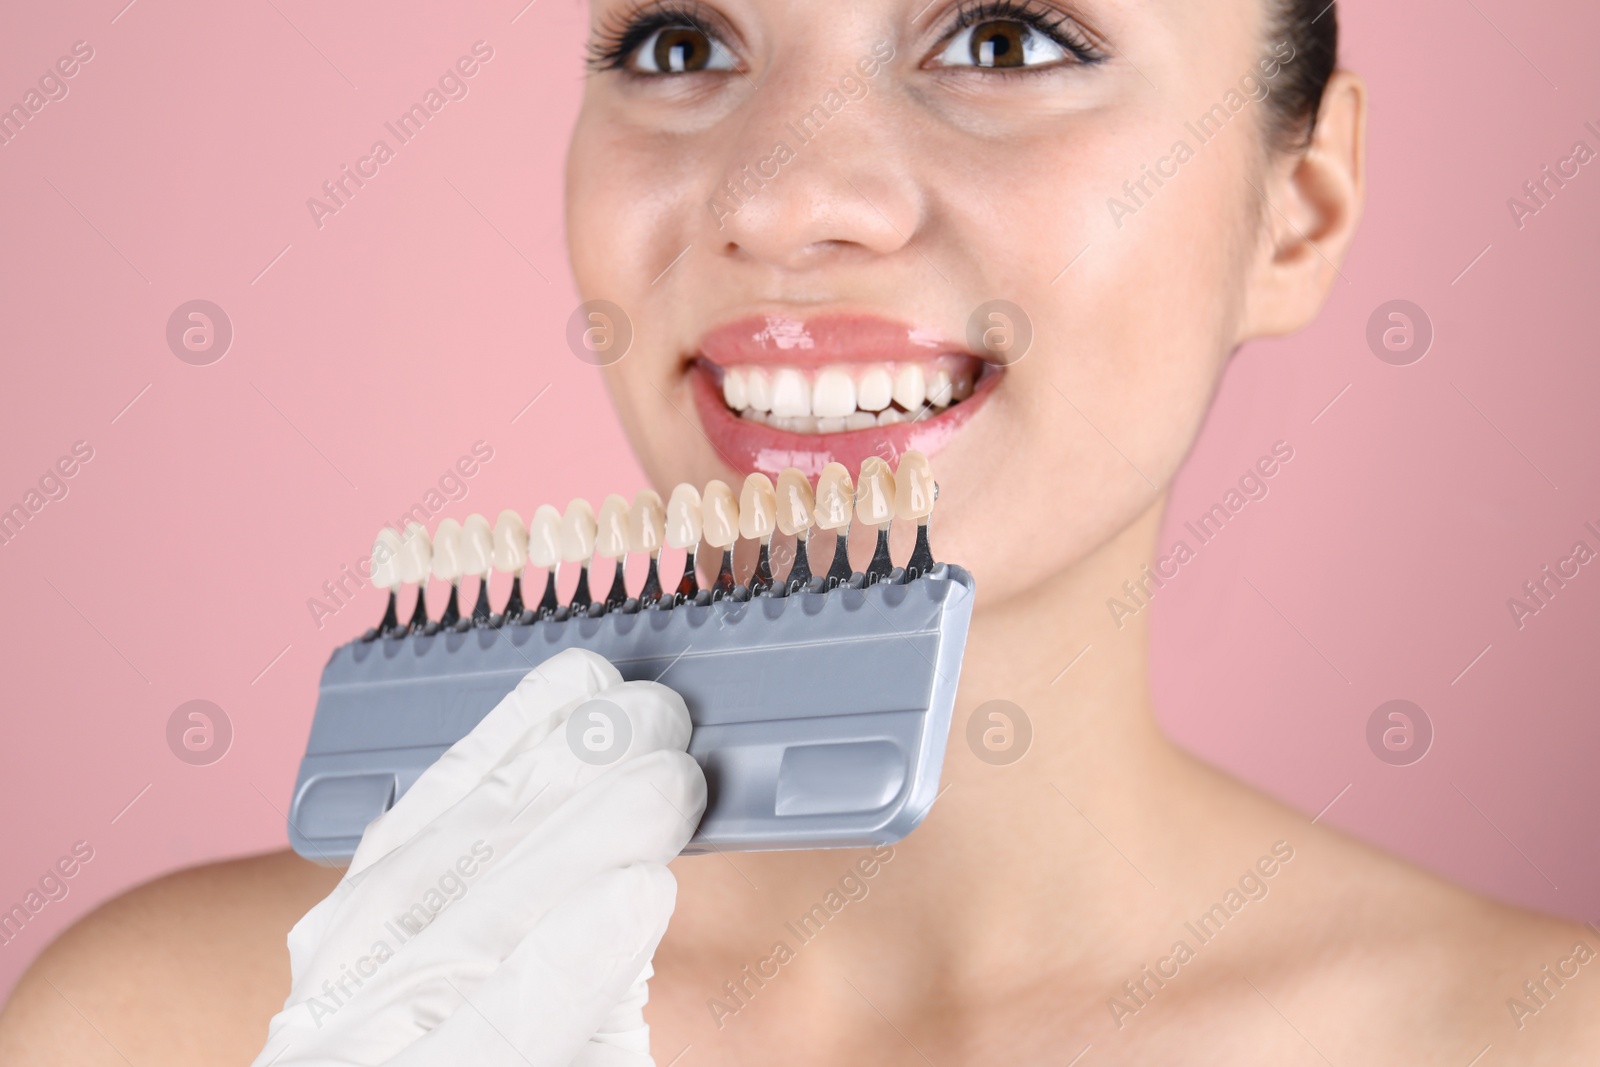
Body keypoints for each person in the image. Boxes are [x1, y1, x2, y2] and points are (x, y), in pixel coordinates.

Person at [3, 0, 1597, 1062]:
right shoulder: (168, 1029)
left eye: (1009, 35)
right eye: (681, 39)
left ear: (1299, 204)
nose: (781, 197)